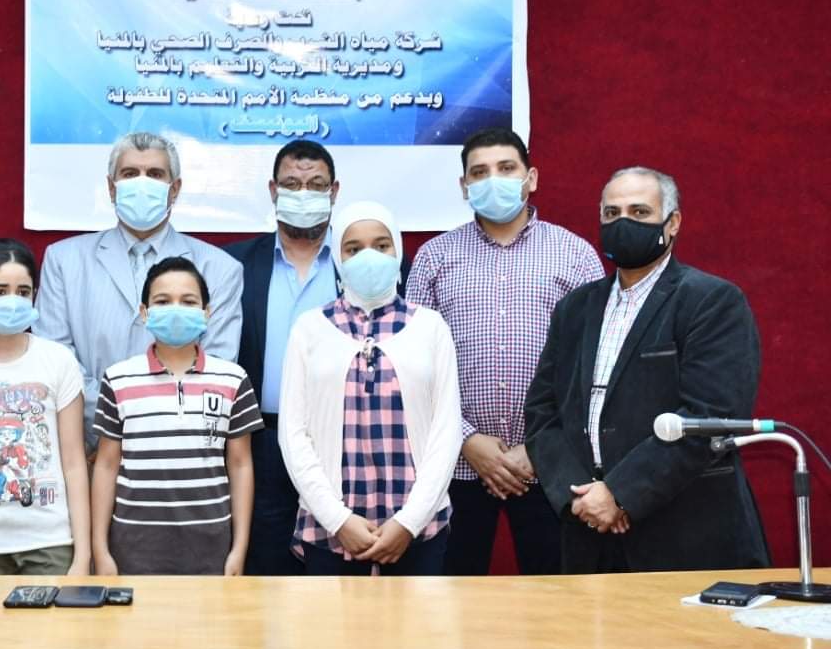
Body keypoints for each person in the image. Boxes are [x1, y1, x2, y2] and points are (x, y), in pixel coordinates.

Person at [524, 167, 770, 573]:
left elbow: (709, 418)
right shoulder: (574, 309)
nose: (623, 223)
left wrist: (620, 494)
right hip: (588, 534)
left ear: (672, 223)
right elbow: (542, 411)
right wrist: (581, 498)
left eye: (639, 212)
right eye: (612, 213)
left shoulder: (712, 301)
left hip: (686, 534)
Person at [405, 128, 603, 576]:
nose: (493, 179)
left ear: (531, 178)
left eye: (506, 168)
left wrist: (538, 447)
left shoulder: (575, 255)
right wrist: (466, 439)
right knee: (450, 597)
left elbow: (591, 365)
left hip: (548, 461)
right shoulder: (434, 258)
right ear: (464, 186)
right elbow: (413, 366)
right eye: (479, 172)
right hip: (456, 463)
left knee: (557, 596)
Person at [226, 140, 412, 575]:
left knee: (340, 573)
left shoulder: (368, 263)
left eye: (315, 184)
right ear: (273, 191)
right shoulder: (236, 264)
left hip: (346, 441)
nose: (303, 194)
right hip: (260, 442)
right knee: (267, 571)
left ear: (335, 191)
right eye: (292, 184)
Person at [280, 201, 461, 576]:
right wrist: (338, 520)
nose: (368, 257)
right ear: (338, 258)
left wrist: (408, 522)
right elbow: (293, 434)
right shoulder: (310, 328)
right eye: (353, 248)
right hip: (330, 527)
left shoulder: (430, 327)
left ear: (398, 250)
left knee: (418, 617)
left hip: (418, 527)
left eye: (381, 246)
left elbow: (446, 432)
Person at [35, 132, 244, 448]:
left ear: (175, 189)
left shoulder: (220, 268)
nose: (142, 184)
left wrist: (152, 425)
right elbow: (57, 360)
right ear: (111, 188)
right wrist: (112, 422)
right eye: (130, 173)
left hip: (180, 449)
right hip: (88, 447)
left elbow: (216, 367)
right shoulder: (63, 260)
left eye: (155, 174)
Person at [92, 257, 262, 575]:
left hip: (211, 549)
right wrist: (100, 550)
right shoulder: (118, 378)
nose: (175, 309)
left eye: (188, 301)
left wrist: (239, 549)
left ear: (206, 312)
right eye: (162, 301)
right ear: (144, 312)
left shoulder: (233, 379)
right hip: (134, 549)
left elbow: (240, 465)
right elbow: (106, 465)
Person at [0, 239, 91, 576]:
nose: (12, 300)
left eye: (23, 292)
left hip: (50, 544)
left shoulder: (59, 361)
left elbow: (74, 463)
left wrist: (82, 556)